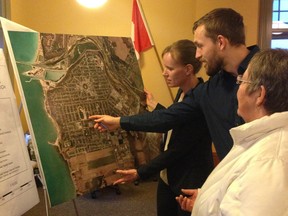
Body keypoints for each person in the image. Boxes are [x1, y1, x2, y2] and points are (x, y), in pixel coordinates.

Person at [89, 8, 260, 162]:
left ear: (221, 42)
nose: (198, 55)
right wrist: (119, 121)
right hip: (232, 182)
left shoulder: (273, 74)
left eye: (200, 46)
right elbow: (168, 117)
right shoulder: (210, 88)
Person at [176, 48, 288, 215]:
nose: (238, 89)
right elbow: (240, 197)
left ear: (259, 95)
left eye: (242, 81)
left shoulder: (267, 164)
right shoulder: (262, 142)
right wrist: (207, 198)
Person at [115, 40, 214, 216]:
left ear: (188, 69)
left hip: (188, 181)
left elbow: (175, 149)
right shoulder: (184, 91)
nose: (164, 73)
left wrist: (140, 172)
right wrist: (154, 104)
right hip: (168, 176)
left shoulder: (198, 100)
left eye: (170, 68)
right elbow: (175, 120)